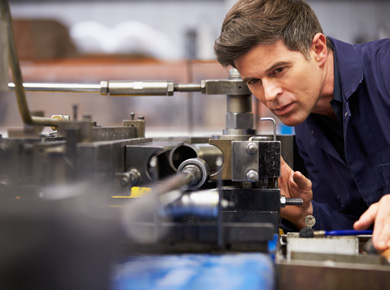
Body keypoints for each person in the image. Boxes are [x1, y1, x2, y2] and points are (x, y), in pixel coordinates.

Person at [214, 0, 390, 251]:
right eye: (254, 81)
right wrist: (306, 212)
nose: (269, 94)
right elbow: (356, 229)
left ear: (317, 48)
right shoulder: (305, 128)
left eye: (278, 70)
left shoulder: (385, 70)